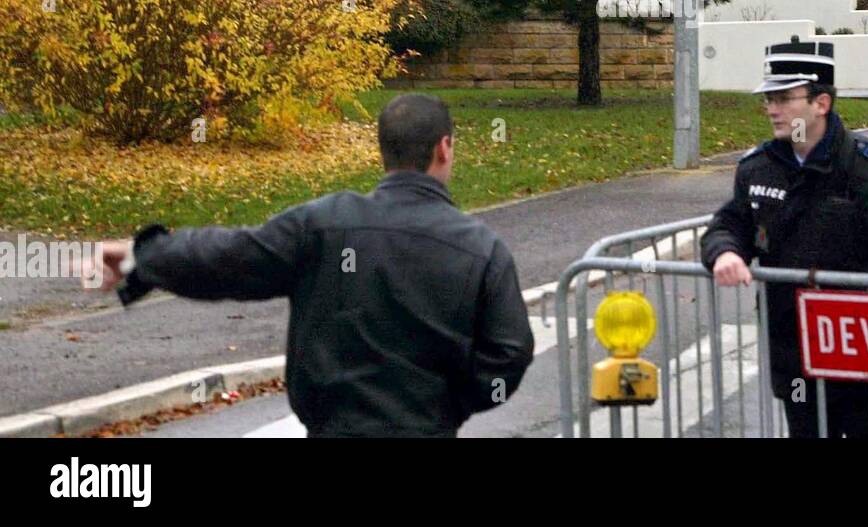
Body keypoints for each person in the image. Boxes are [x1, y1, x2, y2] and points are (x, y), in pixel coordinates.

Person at [84, 94, 534, 437]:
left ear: (384, 150)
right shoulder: (481, 248)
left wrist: (139, 257)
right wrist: (450, 405)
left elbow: (227, 257)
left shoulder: (324, 225)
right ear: (445, 147)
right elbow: (509, 352)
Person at [700, 38, 868, 438]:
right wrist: (725, 252)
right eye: (768, 98)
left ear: (821, 104)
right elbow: (730, 225)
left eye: (783, 98)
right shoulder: (758, 168)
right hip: (794, 350)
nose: (771, 109)